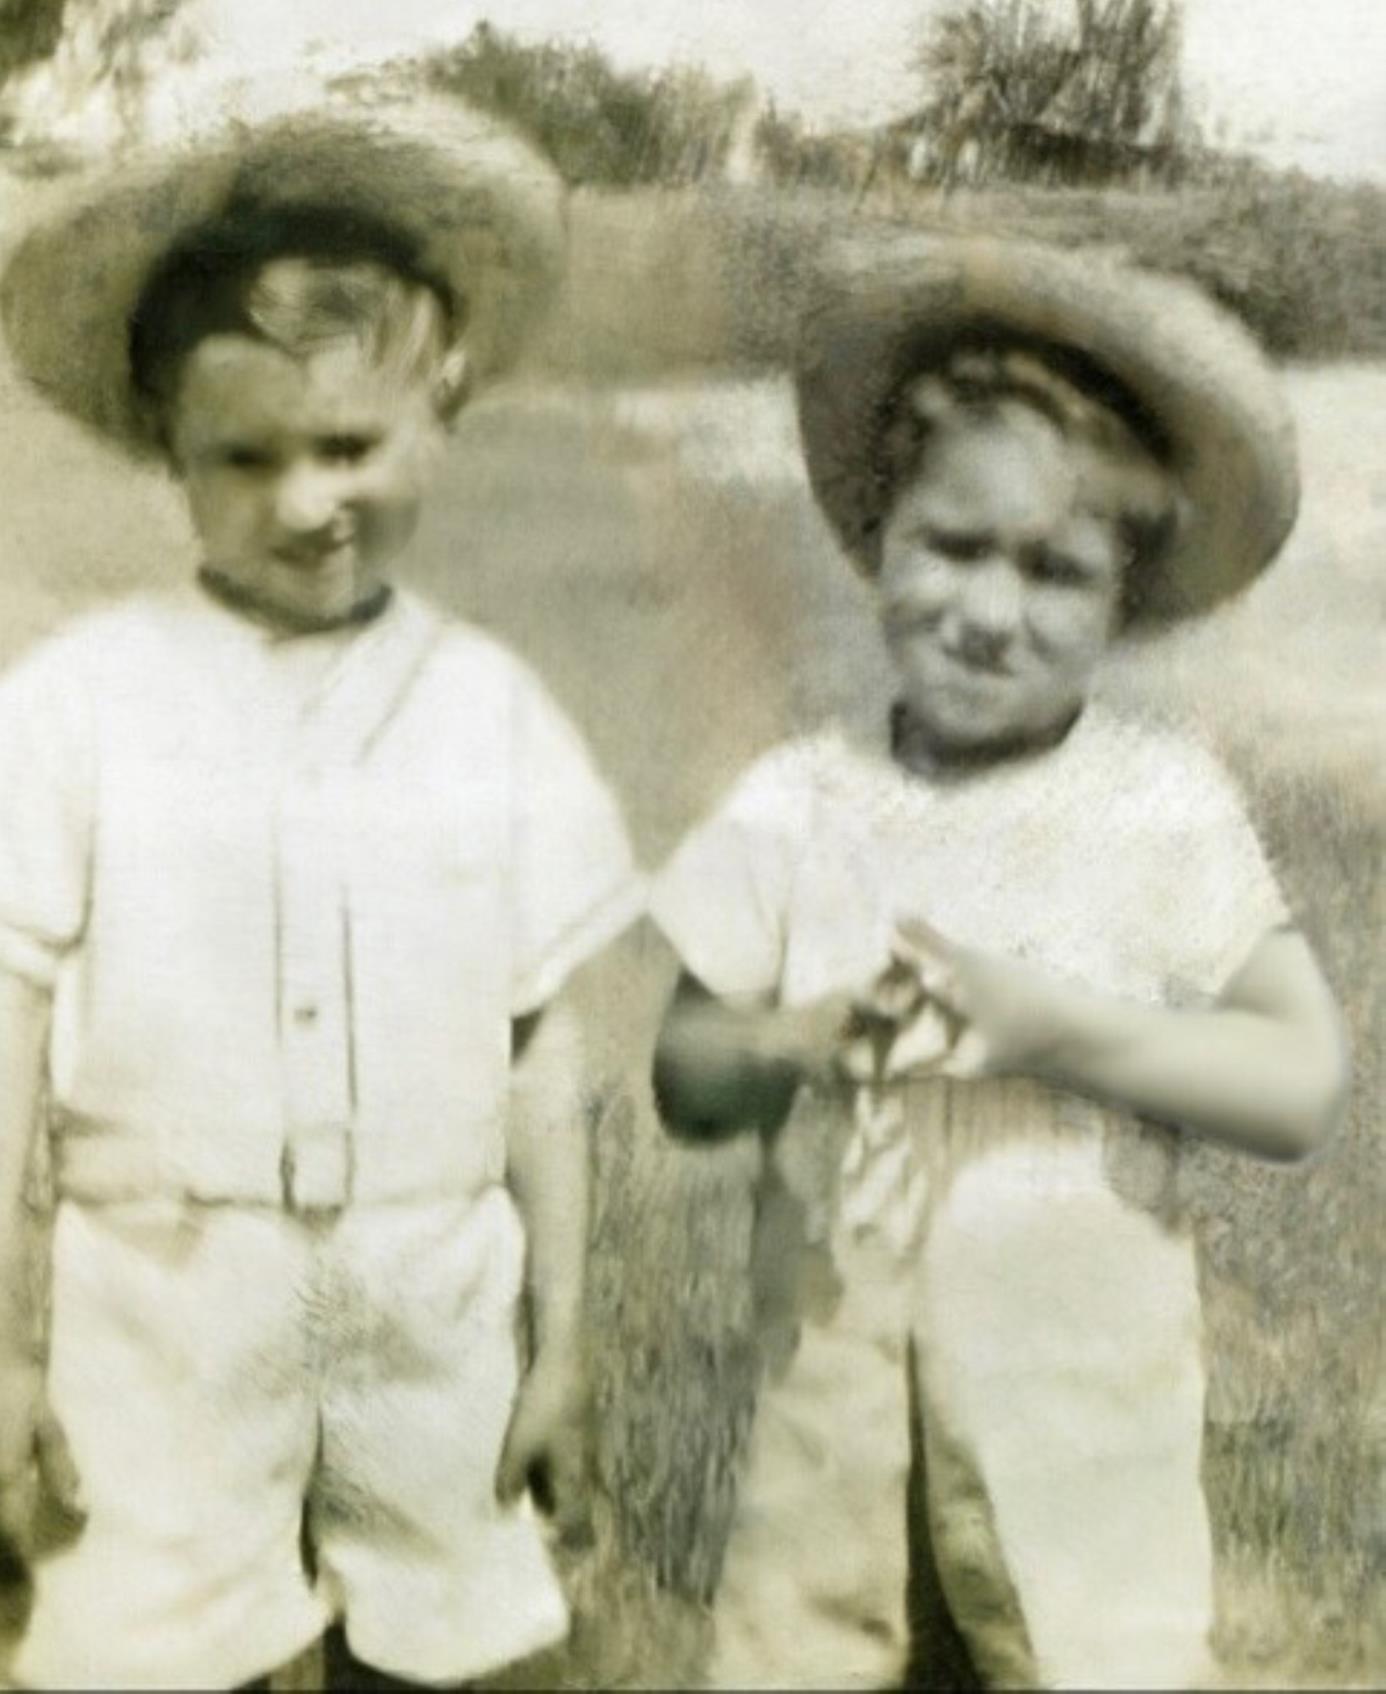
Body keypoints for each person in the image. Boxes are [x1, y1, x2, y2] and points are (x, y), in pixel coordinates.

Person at [0, 89, 642, 1691]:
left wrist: (558, 1337)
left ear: (441, 404)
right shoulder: (79, 703)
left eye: (349, 444)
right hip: (162, 1297)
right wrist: (6, 1350)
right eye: (246, 456)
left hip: (429, 1292)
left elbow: (538, 1051)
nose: (307, 501)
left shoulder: (487, 706)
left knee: (468, 1644)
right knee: (131, 1642)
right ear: (165, 442)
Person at [649, 236, 1350, 1690]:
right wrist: (797, 1038)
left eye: (1052, 570)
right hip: (836, 1450)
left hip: (1074, 1450)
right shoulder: (797, 802)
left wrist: (1054, 1028)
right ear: (875, 534)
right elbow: (686, 1069)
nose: (986, 607)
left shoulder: (1160, 810)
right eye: (951, 544)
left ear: (1123, 601)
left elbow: (1295, 1081)